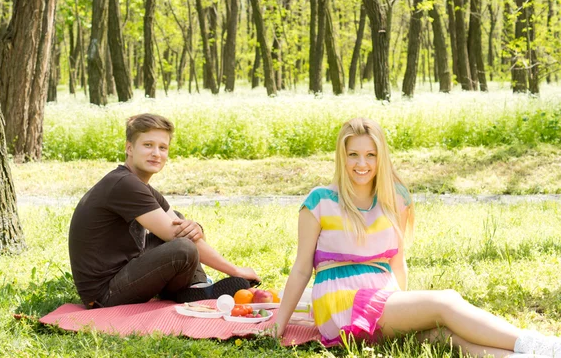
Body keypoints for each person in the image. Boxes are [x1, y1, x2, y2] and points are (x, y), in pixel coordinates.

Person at [273, 118, 560, 357]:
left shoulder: (395, 199)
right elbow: (301, 268)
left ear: (380, 157)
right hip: (340, 304)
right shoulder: (320, 201)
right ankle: (537, 344)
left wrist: (405, 306)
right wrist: (277, 326)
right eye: (353, 154)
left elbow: (398, 262)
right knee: (445, 301)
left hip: (385, 298)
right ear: (342, 156)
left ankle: (518, 356)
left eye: (370, 155)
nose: (362, 163)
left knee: (442, 335)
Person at [68, 113, 260, 309]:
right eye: (148, 145)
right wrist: (236, 271)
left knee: (179, 220)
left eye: (163, 147)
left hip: (125, 270)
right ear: (129, 148)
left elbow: (176, 224)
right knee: (183, 247)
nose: (156, 153)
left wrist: (195, 227)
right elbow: (176, 236)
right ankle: (194, 288)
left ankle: (196, 286)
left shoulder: (138, 185)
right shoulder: (124, 184)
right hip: (104, 295)